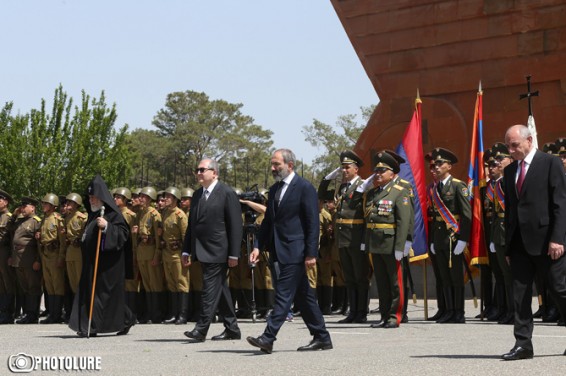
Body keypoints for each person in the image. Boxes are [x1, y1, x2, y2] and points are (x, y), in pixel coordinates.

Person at [247, 148, 332, 354]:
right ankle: (322, 337)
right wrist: (258, 246)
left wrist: (311, 253)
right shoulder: (275, 189)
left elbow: (312, 224)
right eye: (272, 164)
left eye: (277, 164)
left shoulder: (304, 188)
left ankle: (268, 338)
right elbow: (268, 222)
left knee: (284, 294)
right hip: (278, 249)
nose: (273, 168)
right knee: (304, 296)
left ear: (290, 165)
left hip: (297, 250)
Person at [501, 125, 566, 360]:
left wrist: (558, 238)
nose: (511, 150)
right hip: (519, 244)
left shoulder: (550, 163)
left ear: (529, 140)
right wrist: (508, 246)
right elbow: (510, 211)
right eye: (508, 145)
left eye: (514, 145)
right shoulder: (510, 172)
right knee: (519, 295)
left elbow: (560, 203)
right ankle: (523, 344)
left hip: (547, 242)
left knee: (559, 290)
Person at [181, 159, 243, 342]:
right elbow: (192, 225)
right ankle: (232, 328)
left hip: (219, 251)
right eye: (197, 170)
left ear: (214, 173)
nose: (198, 173)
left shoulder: (226, 193)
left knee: (209, 290)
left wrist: (234, 253)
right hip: (202, 250)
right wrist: (186, 250)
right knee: (220, 289)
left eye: (202, 170)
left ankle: (201, 330)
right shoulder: (198, 194)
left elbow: (235, 226)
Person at [68, 175, 135, 337]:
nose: (91, 200)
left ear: (102, 198)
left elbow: (123, 234)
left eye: (94, 197)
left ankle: (92, 327)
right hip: (91, 263)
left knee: (102, 296)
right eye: (90, 197)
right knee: (95, 294)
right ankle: (126, 319)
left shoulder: (113, 214)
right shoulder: (93, 214)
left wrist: (107, 227)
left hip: (109, 265)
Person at [318, 150, 370, 324]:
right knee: (349, 276)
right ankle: (353, 311)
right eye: (342, 168)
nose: (344, 171)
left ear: (356, 169)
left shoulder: (363, 185)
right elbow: (321, 195)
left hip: (356, 236)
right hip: (342, 238)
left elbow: (366, 214)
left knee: (360, 277)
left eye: (347, 167)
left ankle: (361, 311)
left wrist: (364, 239)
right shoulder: (342, 187)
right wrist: (327, 178)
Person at [363, 152, 411, 328]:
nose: (378, 174)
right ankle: (384, 315)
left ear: (392, 173)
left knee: (395, 283)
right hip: (376, 244)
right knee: (382, 283)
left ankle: (394, 316)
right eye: (376, 171)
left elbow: (404, 220)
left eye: (382, 171)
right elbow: (370, 220)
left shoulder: (400, 193)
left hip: (391, 244)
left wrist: (402, 245)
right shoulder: (374, 193)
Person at [428, 147, 472, 324]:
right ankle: (449, 310)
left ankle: (458, 312)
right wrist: (432, 240)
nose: (436, 167)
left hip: (453, 238)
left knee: (455, 276)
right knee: (444, 276)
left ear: (449, 166)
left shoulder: (457, 186)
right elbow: (434, 217)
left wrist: (463, 239)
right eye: (435, 164)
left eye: (440, 163)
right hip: (439, 238)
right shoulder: (435, 187)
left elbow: (467, 215)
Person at [8, 197, 43, 324]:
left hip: (30, 259)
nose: (22, 208)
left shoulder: (36, 221)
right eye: (21, 206)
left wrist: (38, 260)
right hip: (19, 259)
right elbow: (9, 228)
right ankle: (28, 313)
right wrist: (14, 215)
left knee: (33, 287)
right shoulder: (19, 221)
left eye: (25, 206)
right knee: (24, 288)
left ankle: (33, 315)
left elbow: (39, 243)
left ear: (32, 207)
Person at [160, 187, 189, 325]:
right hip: (167, 253)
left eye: (168, 196)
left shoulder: (180, 215)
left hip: (177, 254)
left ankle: (183, 315)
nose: (165, 198)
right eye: (165, 196)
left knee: (181, 283)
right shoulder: (165, 213)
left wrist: (187, 254)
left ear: (175, 199)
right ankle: (173, 313)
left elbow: (185, 236)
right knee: (171, 284)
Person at [38, 193, 67, 324]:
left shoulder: (57, 219)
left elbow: (62, 241)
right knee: (49, 285)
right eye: (43, 203)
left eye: (46, 204)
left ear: (53, 206)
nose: (43, 205)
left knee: (57, 285)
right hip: (45, 254)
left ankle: (57, 314)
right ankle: (52, 314)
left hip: (55, 254)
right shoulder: (44, 219)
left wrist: (61, 257)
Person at [0, 189, 16, 324]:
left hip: (5, 252)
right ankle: (2, 310)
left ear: (5, 202)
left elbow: (12, 238)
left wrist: (11, 255)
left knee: (7, 283)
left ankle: (8, 312)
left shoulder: (9, 217)